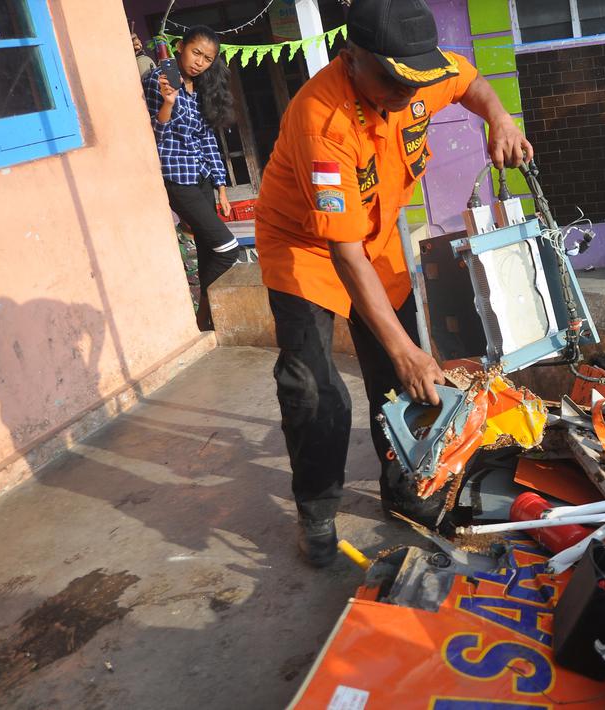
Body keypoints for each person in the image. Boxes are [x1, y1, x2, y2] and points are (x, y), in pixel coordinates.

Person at [253, 0, 533, 567]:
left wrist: (500, 118)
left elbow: (470, 80)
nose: (407, 92)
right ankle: (317, 510)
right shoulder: (321, 120)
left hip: (374, 240)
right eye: (392, 79)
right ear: (351, 57)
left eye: (415, 79)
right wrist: (405, 350)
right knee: (314, 389)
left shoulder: (416, 73)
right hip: (304, 248)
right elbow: (341, 251)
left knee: (400, 381)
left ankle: (404, 484)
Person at [143, 25, 239, 331]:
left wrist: (221, 186)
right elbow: (157, 136)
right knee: (228, 247)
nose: (199, 62)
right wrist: (168, 103)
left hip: (201, 177)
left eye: (208, 58)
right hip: (176, 177)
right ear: (180, 47)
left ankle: (205, 320)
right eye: (196, 52)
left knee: (210, 249)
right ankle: (206, 314)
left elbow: (208, 140)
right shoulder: (158, 80)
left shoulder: (201, 89)